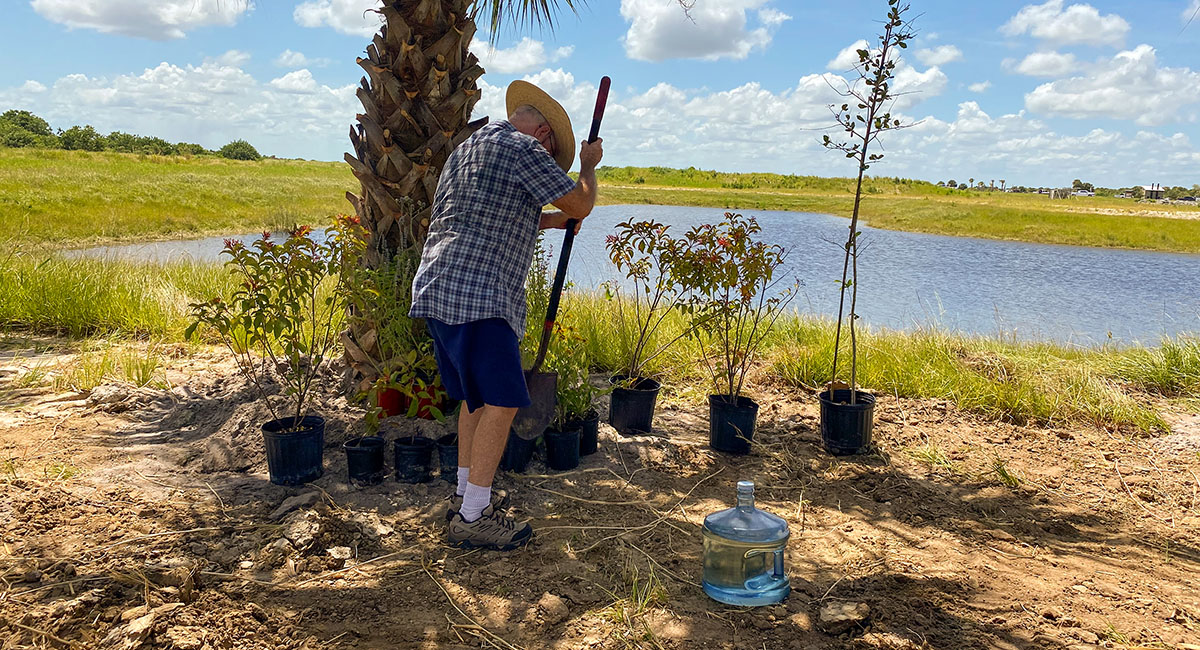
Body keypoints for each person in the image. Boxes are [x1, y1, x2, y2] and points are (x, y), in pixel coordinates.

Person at [409, 80, 603, 550]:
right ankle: (474, 517)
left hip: (441, 288)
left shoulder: (470, 147)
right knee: (503, 400)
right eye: (552, 153)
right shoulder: (525, 149)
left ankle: (464, 495)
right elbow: (581, 202)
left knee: (475, 400)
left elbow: (494, 213)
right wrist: (587, 167)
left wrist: (553, 221)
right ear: (543, 136)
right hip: (481, 296)